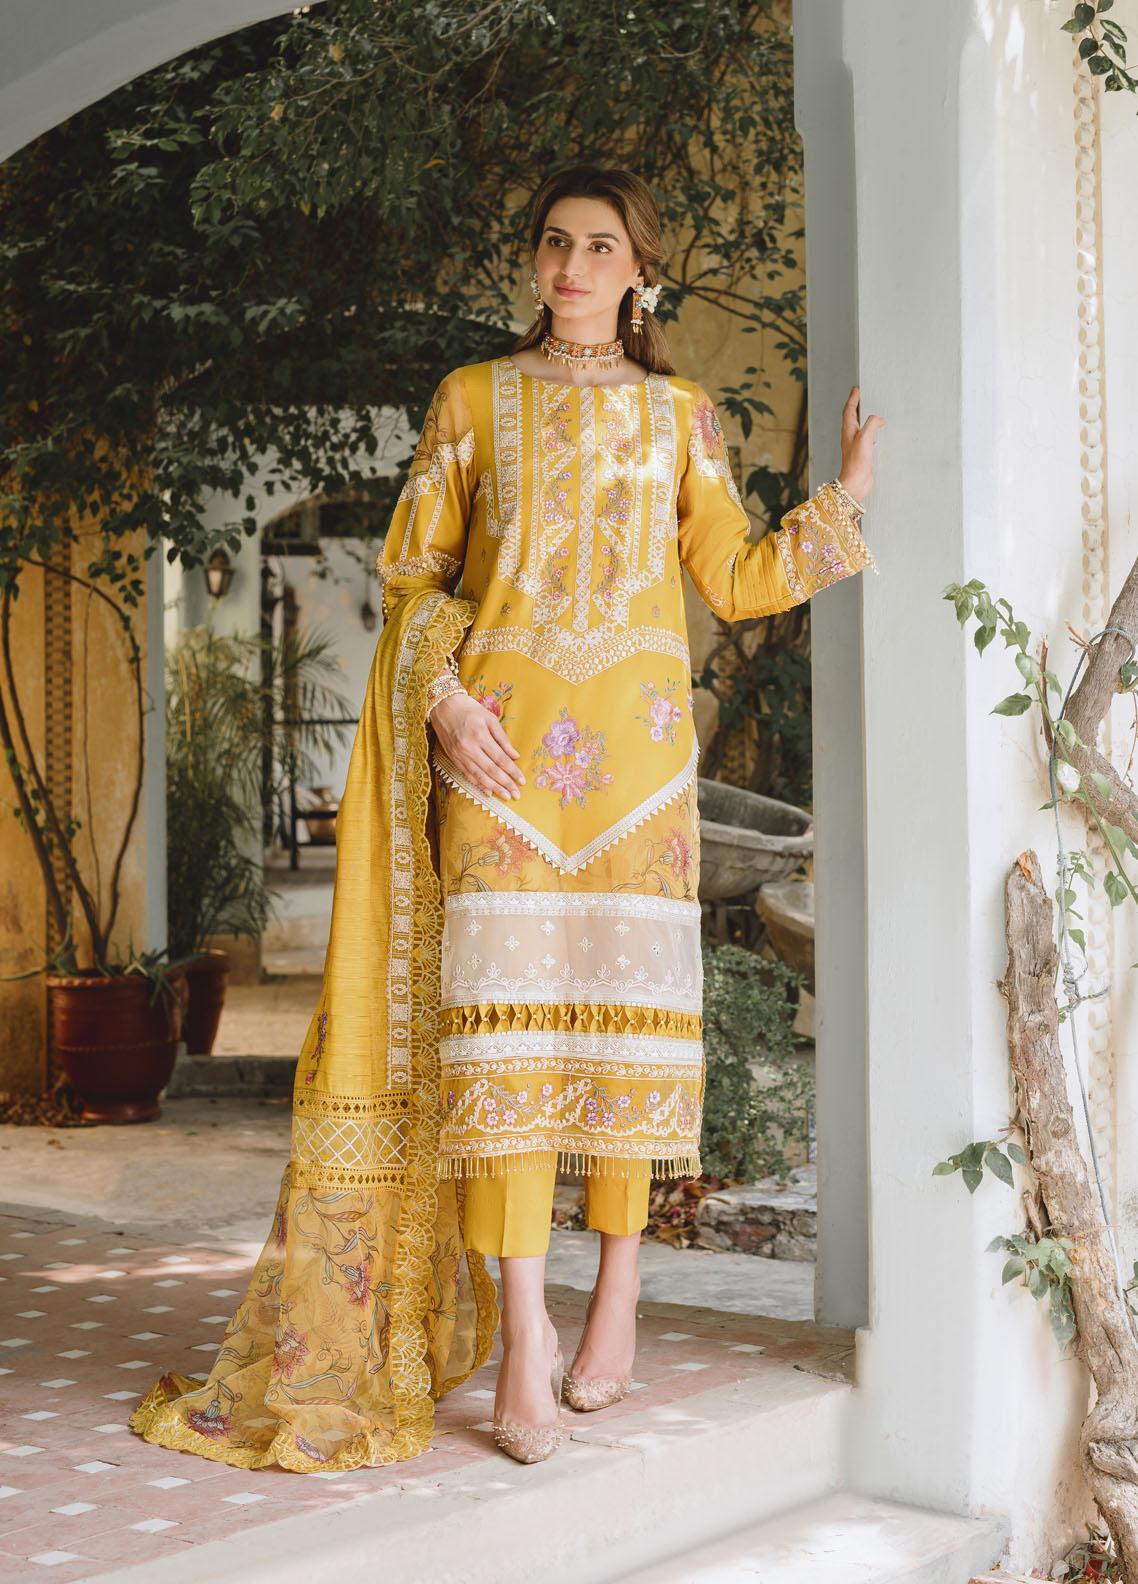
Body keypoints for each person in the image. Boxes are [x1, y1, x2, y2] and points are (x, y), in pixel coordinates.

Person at [130, 163, 883, 1475]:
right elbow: (412, 577)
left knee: (630, 1054)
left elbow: (734, 576)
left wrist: (846, 505)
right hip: (499, 771)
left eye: (599, 247)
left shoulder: (681, 418)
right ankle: (527, 1335)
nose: (572, 267)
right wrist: (437, 701)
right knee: (503, 1064)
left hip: (637, 781)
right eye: (554, 242)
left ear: (640, 273)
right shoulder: (471, 400)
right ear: (534, 260)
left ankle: (618, 1297)